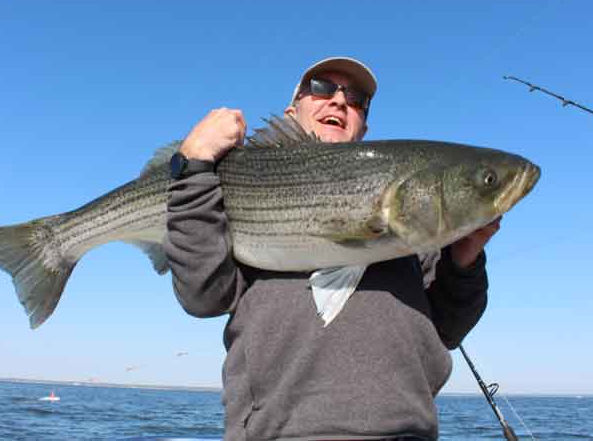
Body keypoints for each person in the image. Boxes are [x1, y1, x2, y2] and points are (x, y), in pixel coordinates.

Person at [163, 57, 500, 441]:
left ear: (364, 126)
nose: (339, 101)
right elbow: (202, 296)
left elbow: (448, 331)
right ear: (293, 110)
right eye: (322, 88)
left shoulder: (418, 232)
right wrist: (190, 166)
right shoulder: (212, 186)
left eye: (356, 99)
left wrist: (465, 261)